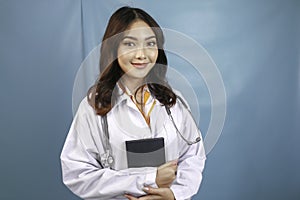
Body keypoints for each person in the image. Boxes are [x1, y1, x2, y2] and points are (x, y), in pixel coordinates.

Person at [60, 6, 206, 200]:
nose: (141, 54)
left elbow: (194, 157)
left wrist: (174, 194)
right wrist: (149, 178)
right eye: (130, 44)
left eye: (150, 43)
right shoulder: (93, 107)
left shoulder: (173, 102)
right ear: (113, 49)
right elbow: (77, 174)